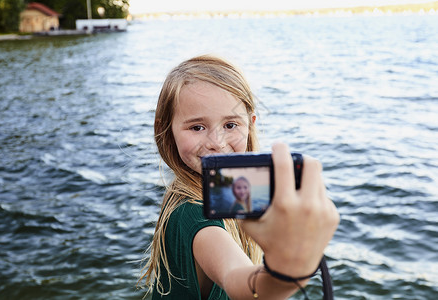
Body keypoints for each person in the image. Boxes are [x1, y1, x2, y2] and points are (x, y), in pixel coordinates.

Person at [139, 55, 339, 299]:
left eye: (230, 125)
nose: (217, 143)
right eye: (197, 127)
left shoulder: (230, 193)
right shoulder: (191, 214)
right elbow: (237, 279)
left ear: (250, 124)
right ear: (165, 130)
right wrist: (286, 272)